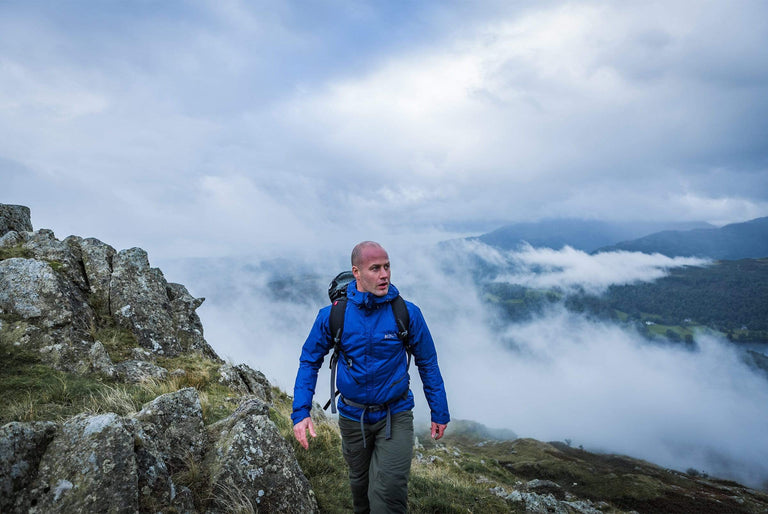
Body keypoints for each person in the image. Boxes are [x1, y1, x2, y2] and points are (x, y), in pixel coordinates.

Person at [292, 241, 450, 513]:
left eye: (387, 267)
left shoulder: (407, 313)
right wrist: (301, 412)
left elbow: (428, 362)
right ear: (356, 272)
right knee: (360, 489)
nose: (384, 274)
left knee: (388, 493)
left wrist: (440, 411)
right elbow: (309, 361)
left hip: (396, 414)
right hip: (353, 418)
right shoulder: (334, 316)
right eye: (375, 268)